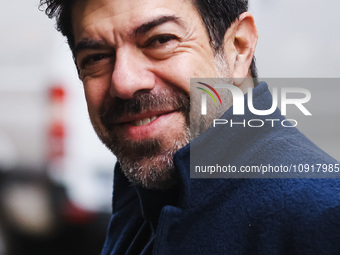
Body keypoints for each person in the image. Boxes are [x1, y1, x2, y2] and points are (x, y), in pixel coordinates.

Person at [40, 0, 340, 254]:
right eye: (95, 58)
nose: (125, 82)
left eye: (160, 40)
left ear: (238, 46)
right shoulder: (143, 204)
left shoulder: (322, 215)